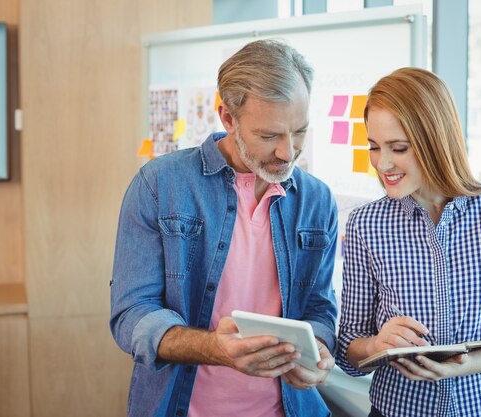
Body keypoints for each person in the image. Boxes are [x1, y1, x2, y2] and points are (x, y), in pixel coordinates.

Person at [109, 39, 338, 417]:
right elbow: (132, 314)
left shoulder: (317, 200)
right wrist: (215, 348)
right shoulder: (159, 185)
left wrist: (319, 349)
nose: (288, 151)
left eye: (299, 131)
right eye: (269, 136)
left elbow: (319, 308)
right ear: (228, 118)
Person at [336, 67, 481, 417]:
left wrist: (465, 365)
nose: (383, 163)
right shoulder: (366, 224)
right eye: (375, 147)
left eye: (398, 148)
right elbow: (349, 345)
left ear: (434, 141)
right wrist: (376, 345)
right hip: (398, 410)